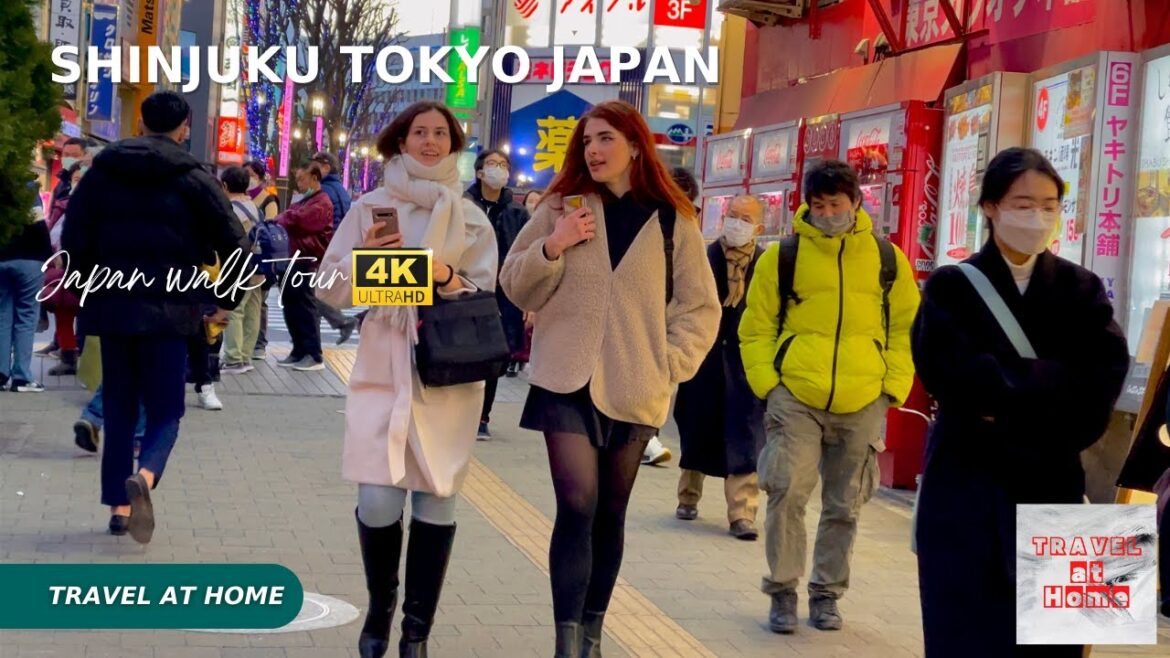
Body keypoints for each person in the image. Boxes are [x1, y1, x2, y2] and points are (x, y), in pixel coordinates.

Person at [499, 100, 720, 657]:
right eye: (587, 140)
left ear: (635, 145)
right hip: (564, 380)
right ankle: (567, 640)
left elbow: (699, 306)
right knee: (577, 503)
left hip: (635, 383)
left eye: (606, 139)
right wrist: (555, 244)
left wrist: (669, 362)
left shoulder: (673, 217)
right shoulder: (561, 205)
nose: (594, 150)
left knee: (609, 514)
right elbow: (514, 284)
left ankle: (593, 628)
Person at [911, 147, 1129, 657]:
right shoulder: (950, 286)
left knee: (1059, 645)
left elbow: (1099, 385)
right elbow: (954, 379)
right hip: (965, 491)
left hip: (1058, 489)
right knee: (964, 637)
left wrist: (1009, 394)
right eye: (1024, 203)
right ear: (989, 207)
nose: (1039, 217)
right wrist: (1050, 387)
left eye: (1050, 205)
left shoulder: (1083, 289)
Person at [315, 101, 497, 658]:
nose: (430, 141)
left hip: (447, 374)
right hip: (383, 365)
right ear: (400, 140)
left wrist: (442, 276)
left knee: (438, 501)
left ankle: (416, 633)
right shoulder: (369, 206)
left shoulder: (469, 217)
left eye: (441, 133)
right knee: (377, 501)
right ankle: (379, 610)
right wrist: (391, 270)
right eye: (419, 131)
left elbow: (485, 291)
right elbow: (330, 283)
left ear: (454, 144)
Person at [739, 159, 920, 634]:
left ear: (857, 202)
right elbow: (755, 328)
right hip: (796, 394)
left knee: (845, 505)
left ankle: (826, 594)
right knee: (786, 492)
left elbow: (906, 329)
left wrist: (891, 388)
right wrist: (769, 385)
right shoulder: (783, 256)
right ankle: (782, 590)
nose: (827, 213)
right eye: (818, 205)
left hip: (864, 398)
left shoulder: (886, 259)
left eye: (835, 204)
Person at [61, 91, 248, 543]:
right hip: (171, 311)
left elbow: (73, 239)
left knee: (120, 408)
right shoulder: (193, 178)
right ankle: (144, 478)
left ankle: (120, 509)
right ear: (184, 127)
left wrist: (90, 287)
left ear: (140, 123)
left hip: (113, 309)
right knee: (167, 410)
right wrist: (225, 298)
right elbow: (235, 242)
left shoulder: (102, 171)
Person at [674, 194, 766, 541]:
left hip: (745, 366)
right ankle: (688, 496)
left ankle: (742, 513)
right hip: (704, 360)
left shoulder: (766, 264)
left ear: (759, 227)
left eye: (745, 219)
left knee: (746, 437)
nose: (736, 223)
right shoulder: (704, 255)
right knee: (697, 429)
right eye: (732, 215)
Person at [464, 148, 531, 440]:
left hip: (503, 295)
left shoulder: (518, 212)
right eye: (492, 164)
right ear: (479, 172)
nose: (498, 169)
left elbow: (526, 254)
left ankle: (481, 416)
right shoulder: (462, 206)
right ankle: (460, 411)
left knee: (494, 353)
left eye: (503, 165)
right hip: (464, 290)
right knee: (462, 350)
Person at [642, 167, 702, 467]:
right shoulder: (645, 227)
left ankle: (649, 439)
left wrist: (680, 355)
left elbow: (701, 302)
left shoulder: (691, 235)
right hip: (640, 328)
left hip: (670, 335)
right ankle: (647, 440)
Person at [275, 162, 334, 372]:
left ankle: (313, 354)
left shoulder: (321, 202)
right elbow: (289, 218)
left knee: (304, 309)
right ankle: (298, 350)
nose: (299, 184)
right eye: (297, 179)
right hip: (294, 259)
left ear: (315, 178)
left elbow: (297, 220)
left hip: (306, 261)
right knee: (291, 307)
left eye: (302, 179)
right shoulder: (306, 200)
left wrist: (285, 217)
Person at [0, 184, 52, 393]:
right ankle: (22, 376)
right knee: (26, 316)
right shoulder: (27, 188)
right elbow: (39, 226)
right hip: (29, 258)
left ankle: (1, 375)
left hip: (2, 258)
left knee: (2, 317)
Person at [219, 166, 265, 375]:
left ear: (225, 186)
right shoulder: (255, 207)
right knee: (252, 310)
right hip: (258, 264)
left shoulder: (231, 210)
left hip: (240, 266)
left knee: (236, 309)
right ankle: (245, 356)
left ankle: (233, 358)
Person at [311, 151, 358, 344]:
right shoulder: (340, 189)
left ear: (326, 167)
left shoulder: (325, 191)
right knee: (313, 293)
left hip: (323, 248)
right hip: (335, 247)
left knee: (311, 294)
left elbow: (319, 222)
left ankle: (310, 345)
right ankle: (308, 343)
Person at [245, 160, 278, 360]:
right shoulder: (241, 197)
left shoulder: (268, 200)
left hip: (261, 258)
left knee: (260, 302)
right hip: (242, 257)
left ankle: (259, 343)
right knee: (245, 304)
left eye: (250, 174)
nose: (247, 178)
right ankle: (245, 343)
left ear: (258, 176)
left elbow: (270, 229)